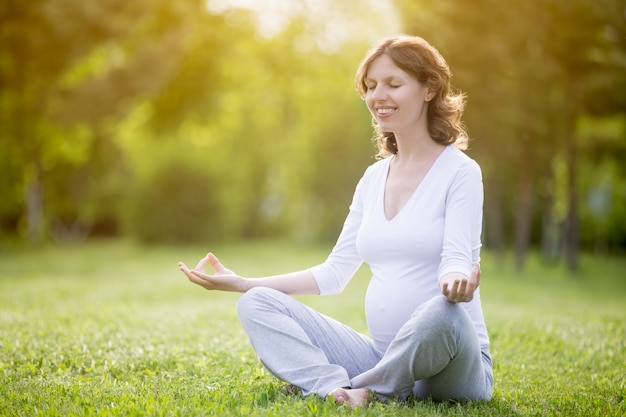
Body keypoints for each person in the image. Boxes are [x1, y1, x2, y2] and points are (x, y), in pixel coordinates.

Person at [178, 35, 493, 408]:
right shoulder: (373, 179)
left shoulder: (460, 172)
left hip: (451, 366)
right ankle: (335, 388)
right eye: (371, 86)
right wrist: (243, 283)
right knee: (257, 303)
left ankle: (368, 389)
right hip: (381, 353)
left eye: (394, 84)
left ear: (428, 90)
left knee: (444, 313)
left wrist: (455, 282)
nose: (379, 95)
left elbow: (457, 257)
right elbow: (333, 273)